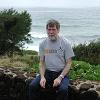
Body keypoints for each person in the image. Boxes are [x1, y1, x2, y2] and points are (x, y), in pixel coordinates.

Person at [29, 19, 75, 100]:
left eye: (53, 29)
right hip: (48, 72)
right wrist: (42, 77)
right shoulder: (43, 44)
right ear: (46, 30)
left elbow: (69, 63)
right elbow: (41, 62)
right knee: (32, 86)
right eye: (49, 29)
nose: (51, 32)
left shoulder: (65, 43)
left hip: (61, 73)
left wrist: (60, 77)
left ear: (58, 30)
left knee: (63, 90)